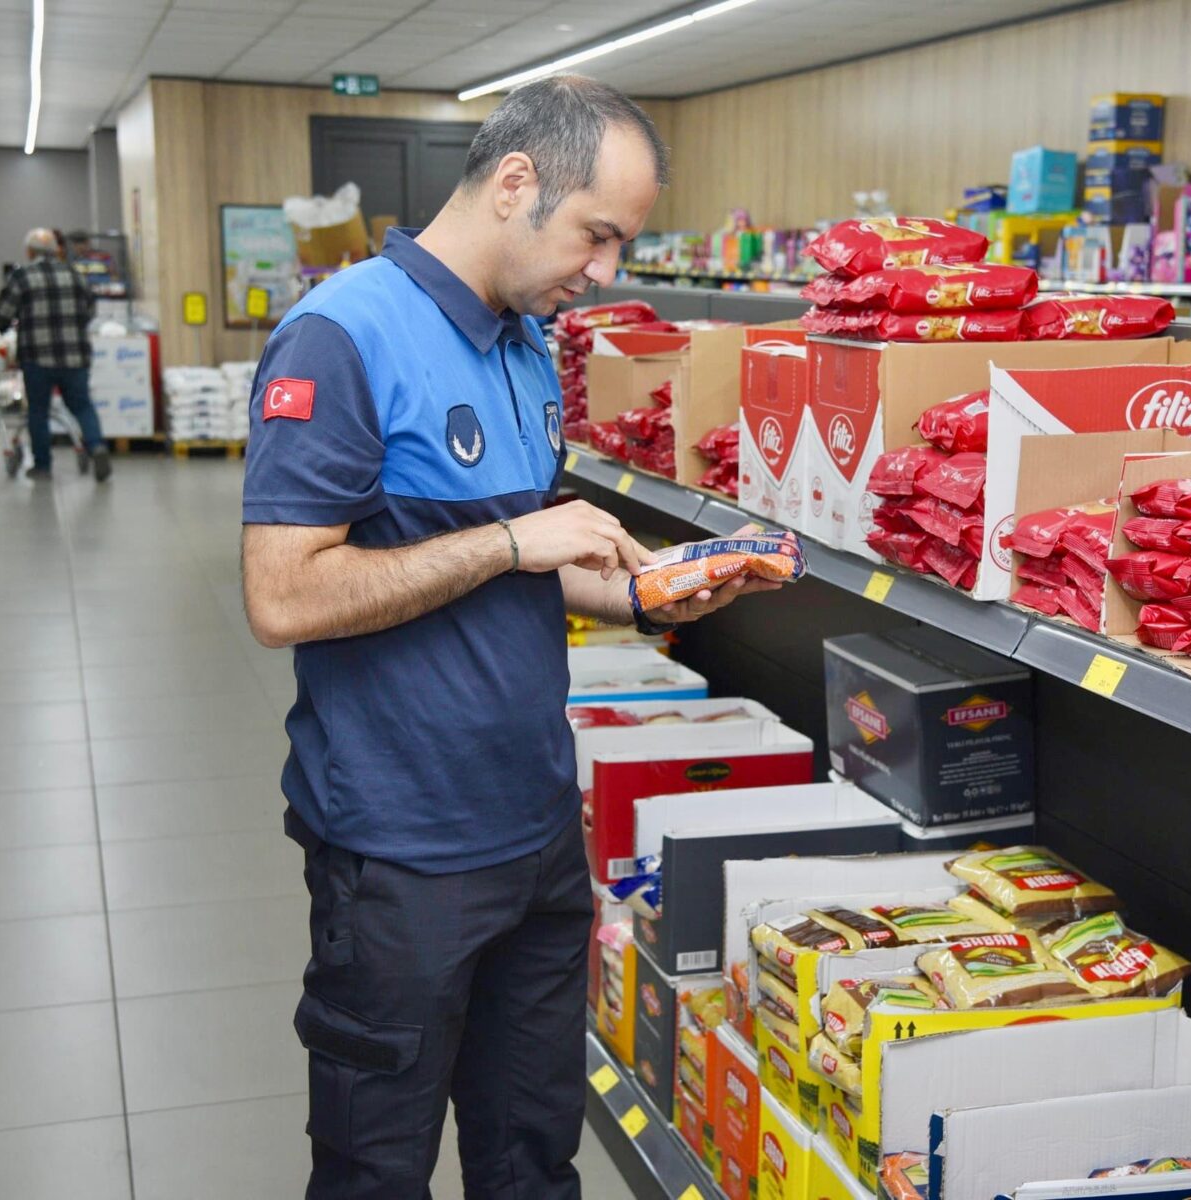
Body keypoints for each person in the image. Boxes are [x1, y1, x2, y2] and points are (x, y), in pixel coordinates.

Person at [240, 76, 781, 1199]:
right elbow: (283, 597)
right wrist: (508, 542)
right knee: (376, 1165)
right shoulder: (340, 337)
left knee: (531, 1152)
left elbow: (526, 564)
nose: (605, 271)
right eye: (596, 235)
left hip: (535, 826)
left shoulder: (526, 341)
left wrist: (641, 596)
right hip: (398, 844)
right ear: (515, 182)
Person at [0, 227, 112, 482]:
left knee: (38, 410)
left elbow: (2, 313)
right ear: (57, 251)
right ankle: (97, 446)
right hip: (75, 356)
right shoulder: (75, 275)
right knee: (82, 405)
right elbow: (90, 310)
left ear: (30, 252)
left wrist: (5, 325)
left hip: (37, 358)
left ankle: (43, 466)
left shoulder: (22, 277)